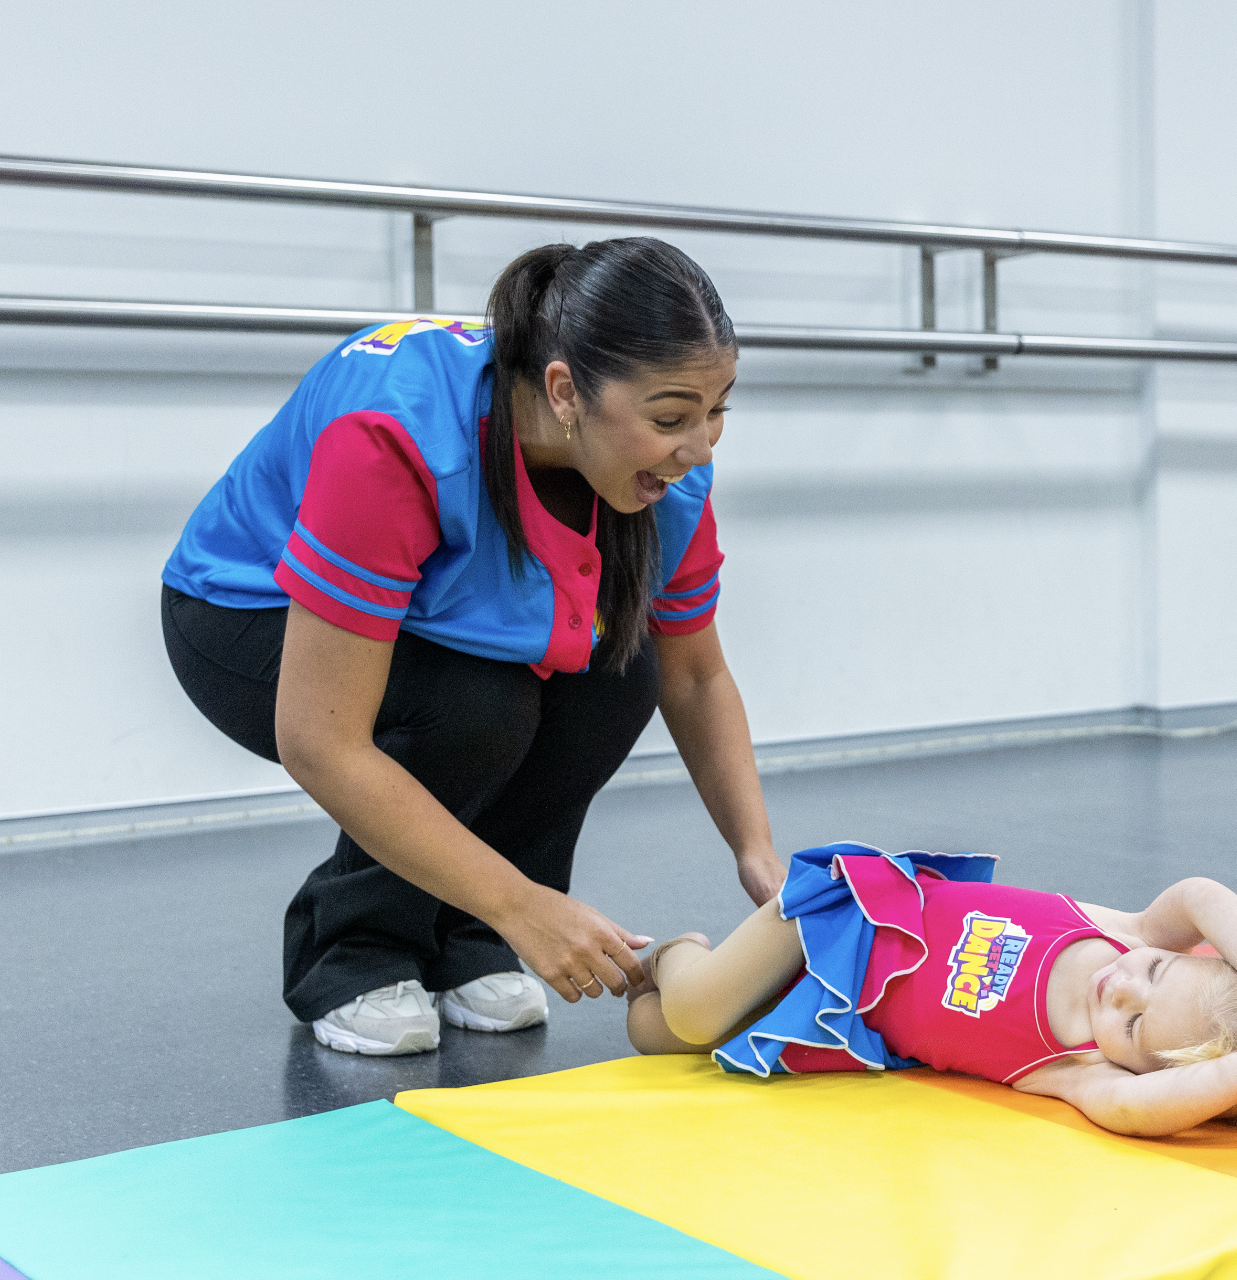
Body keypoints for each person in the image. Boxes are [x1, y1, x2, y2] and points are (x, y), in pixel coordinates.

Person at [160, 237, 785, 1056]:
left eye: (718, 411)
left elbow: (695, 677)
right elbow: (320, 741)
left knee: (620, 670)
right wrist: (526, 905)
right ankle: (356, 951)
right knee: (472, 705)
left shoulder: (671, 479)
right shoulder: (394, 436)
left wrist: (761, 860)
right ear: (565, 391)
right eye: (671, 418)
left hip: (431, 621)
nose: (701, 446)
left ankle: (468, 943)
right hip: (247, 614)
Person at [626, 843, 1237, 1136]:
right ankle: (673, 952)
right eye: (1154, 976)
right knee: (694, 1012)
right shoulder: (1130, 932)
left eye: (1132, 1027)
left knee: (652, 1036)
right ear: (1179, 953)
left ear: (1133, 1066)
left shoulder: (1083, 1072)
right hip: (854, 919)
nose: (1119, 989)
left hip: (842, 1016)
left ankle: (681, 964)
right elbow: (1203, 893)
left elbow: (1143, 1112)